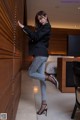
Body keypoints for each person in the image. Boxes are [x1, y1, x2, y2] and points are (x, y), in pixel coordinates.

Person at [18, 10, 59, 116]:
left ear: (46, 16)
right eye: (39, 19)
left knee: (30, 73)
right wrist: (29, 33)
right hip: (42, 54)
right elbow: (35, 38)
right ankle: (44, 105)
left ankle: (49, 77)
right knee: (42, 81)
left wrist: (23, 27)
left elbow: (35, 37)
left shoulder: (47, 27)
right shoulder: (42, 28)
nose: (41, 21)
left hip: (40, 55)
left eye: (42, 18)